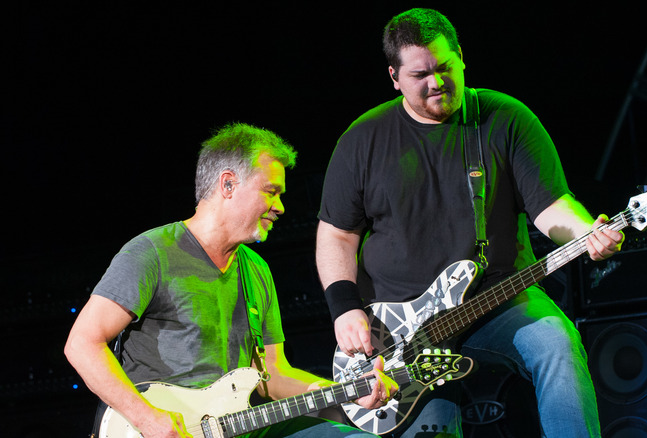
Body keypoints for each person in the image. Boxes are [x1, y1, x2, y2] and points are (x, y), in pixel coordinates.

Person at [316, 8, 624, 438]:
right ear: (394, 76)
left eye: (445, 67)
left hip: (498, 297)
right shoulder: (362, 140)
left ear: (461, 56)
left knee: (558, 345)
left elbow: (551, 205)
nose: (437, 82)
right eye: (421, 74)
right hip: (403, 329)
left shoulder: (504, 118)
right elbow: (336, 234)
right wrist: (344, 308)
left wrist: (587, 232)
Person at [65, 122, 398, 438]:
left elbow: (273, 375)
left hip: (239, 426)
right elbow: (82, 344)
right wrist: (147, 419)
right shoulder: (151, 253)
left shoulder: (256, 270)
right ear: (227, 184)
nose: (280, 206)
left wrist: (344, 392)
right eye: (271, 192)